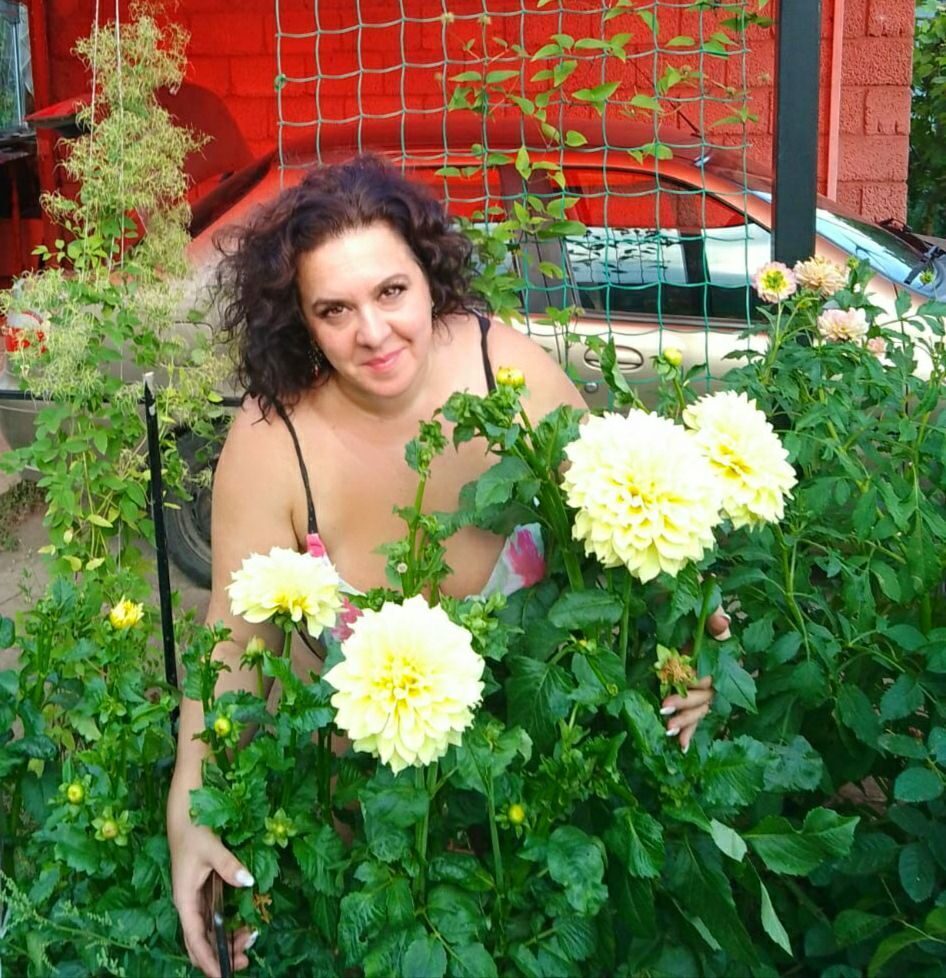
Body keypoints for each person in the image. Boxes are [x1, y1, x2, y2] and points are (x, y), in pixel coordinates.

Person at [167, 155, 725, 977]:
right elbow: (233, 644)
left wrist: (689, 643)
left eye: (391, 291)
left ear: (430, 280)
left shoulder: (508, 372)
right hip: (375, 836)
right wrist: (192, 811)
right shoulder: (273, 441)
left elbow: (628, 529)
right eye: (334, 309)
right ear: (302, 322)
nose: (373, 332)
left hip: (546, 817)